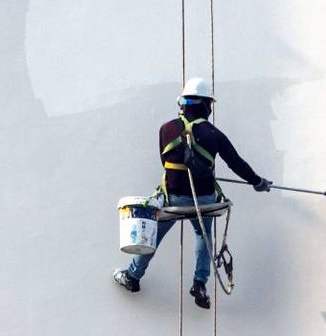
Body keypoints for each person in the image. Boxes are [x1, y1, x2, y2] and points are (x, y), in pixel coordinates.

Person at [115, 77, 270, 308]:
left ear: (184, 103)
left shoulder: (166, 129)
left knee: (153, 235)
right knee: (204, 236)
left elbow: (164, 162)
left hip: (174, 198)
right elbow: (236, 163)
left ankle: (132, 276)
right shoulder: (213, 134)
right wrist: (257, 182)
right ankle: (200, 283)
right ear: (205, 104)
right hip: (204, 200)